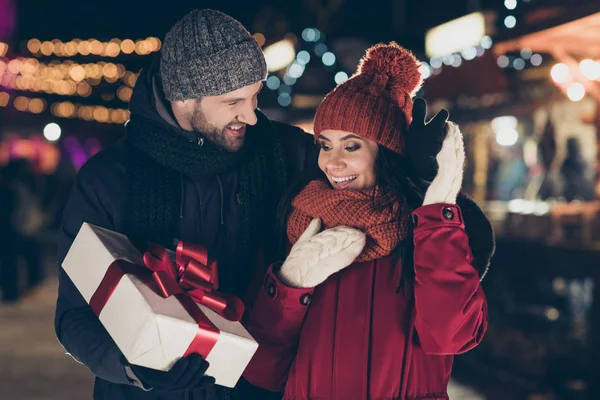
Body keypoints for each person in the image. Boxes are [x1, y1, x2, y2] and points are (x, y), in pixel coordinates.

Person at [54, 8, 478, 400]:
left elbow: (369, 180)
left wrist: (425, 182)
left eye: (255, 96)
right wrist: (135, 367)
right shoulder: (110, 179)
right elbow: (73, 317)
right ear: (185, 96)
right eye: (234, 102)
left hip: (256, 388)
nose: (252, 116)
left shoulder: (286, 152)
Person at [243, 43, 492, 400]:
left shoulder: (422, 229)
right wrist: (289, 286)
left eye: (352, 146)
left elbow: (452, 335)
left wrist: (438, 210)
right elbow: (263, 370)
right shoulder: (299, 221)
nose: (332, 162)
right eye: (325, 145)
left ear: (386, 150)